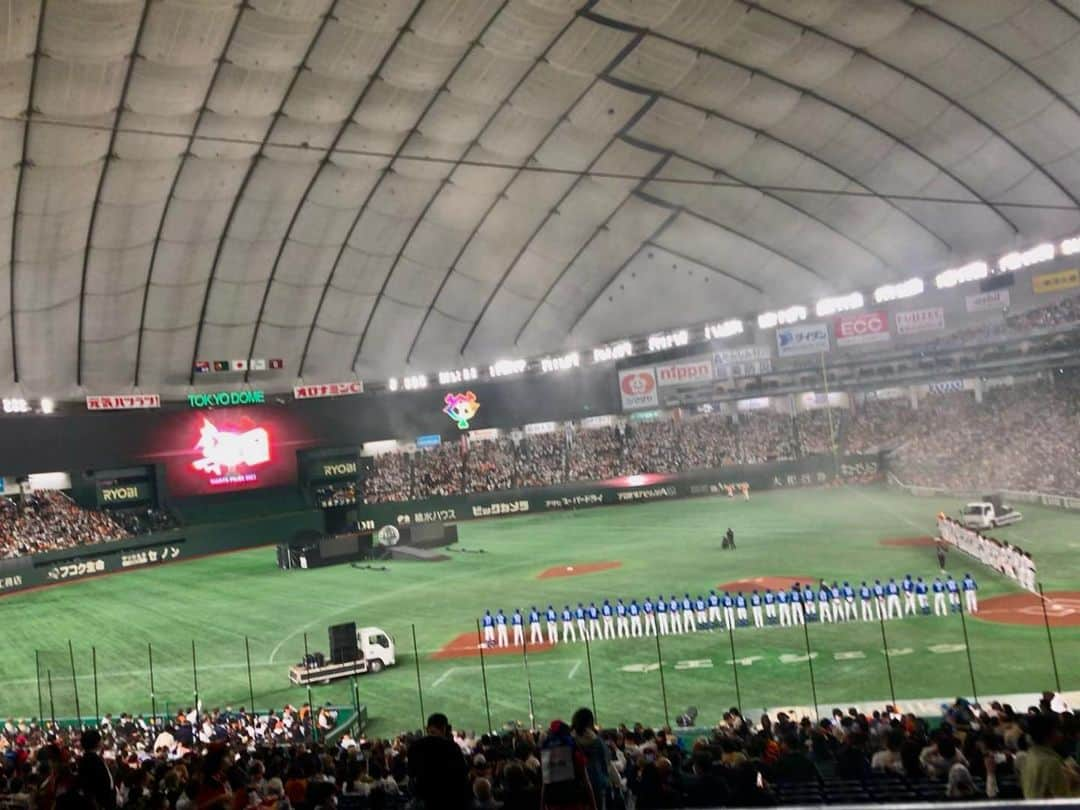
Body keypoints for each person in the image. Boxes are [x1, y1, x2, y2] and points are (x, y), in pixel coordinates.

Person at [408, 713, 471, 810]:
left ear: (427, 728)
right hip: (450, 800)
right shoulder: (453, 747)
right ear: (445, 728)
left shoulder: (414, 747)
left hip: (426, 801)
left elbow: (412, 775)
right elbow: (462, 775)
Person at [1019, 712, 1080, 798]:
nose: (1062, 733)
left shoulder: (1031, 754)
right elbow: (1064, 800)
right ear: (1050, 733)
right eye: (1059, 729)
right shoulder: (1050, 762)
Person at [571, 708, 610, 810]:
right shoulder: (597, 741)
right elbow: (606, 762)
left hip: (577, 785)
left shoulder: (570, 739)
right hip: (595, 783)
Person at [78, 728, 116, 809]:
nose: (102, 741)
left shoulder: (91, 758)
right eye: (101, 739)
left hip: (104, 799)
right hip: (102, 801)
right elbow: (89, 785)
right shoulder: (90, 760)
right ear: (97, 742)